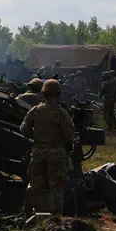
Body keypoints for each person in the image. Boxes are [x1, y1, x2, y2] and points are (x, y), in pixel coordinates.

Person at [19, 78, 77, 216]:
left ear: (43, 92)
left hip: (38, 152)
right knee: (56, 187)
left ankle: (27, 213)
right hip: (57, 154)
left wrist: (37, 136)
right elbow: (70, 134)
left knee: (34, 184)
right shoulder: (62, 113)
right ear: (58, 93)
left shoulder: (35, 111)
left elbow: (23, 129)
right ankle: (56, 219)